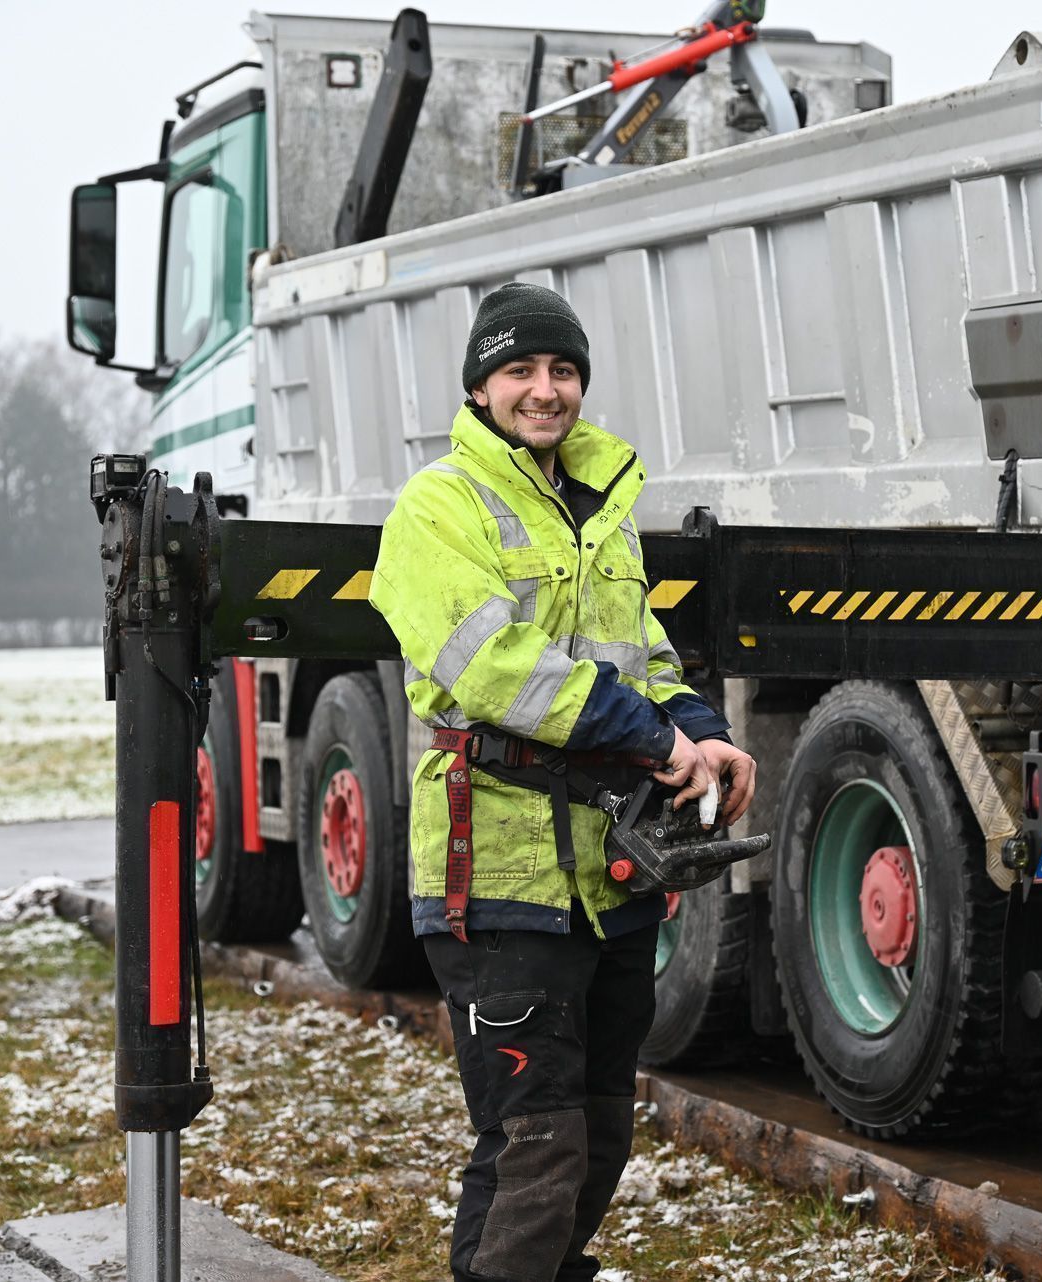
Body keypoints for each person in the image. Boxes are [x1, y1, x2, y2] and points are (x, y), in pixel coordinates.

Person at [368, 281, 757, 1282]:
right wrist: (653, 742)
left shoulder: (601, 505)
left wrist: (705, 734)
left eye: (563, 370)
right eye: (521, 371)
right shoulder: (437, 507)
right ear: (481, 386)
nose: (546, 390)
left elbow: (644, 653)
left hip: (601, 879)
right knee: (534, 1146)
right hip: (497, 879)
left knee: (597, 1133)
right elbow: (497, 666)